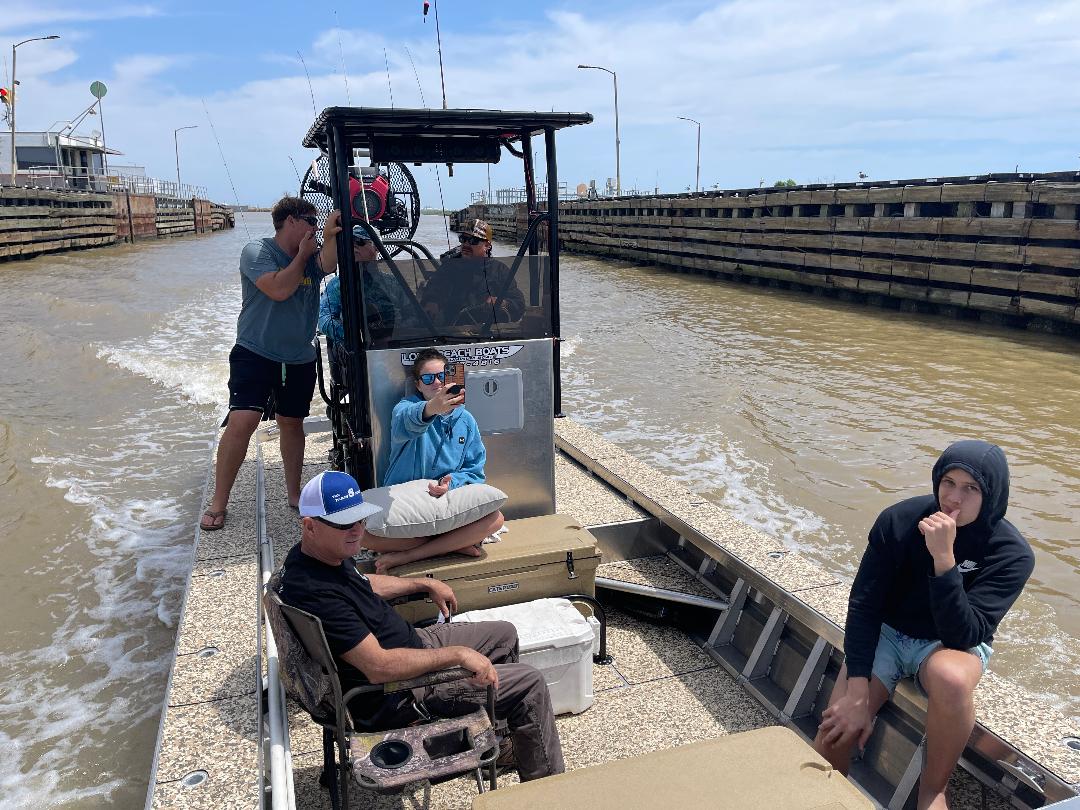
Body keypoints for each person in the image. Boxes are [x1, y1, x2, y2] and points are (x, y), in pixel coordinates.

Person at [276, 470, 564, 782]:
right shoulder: (315, 591)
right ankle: (544, 786)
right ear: (310, 526)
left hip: (411, 646)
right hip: (403, 691)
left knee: (504, 634)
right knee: (529, 684)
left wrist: (420, 584)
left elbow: (363, 583)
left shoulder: (319, 556)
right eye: (346, 523)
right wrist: (456, 655)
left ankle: (496, 741)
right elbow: (379, 667)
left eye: (360, 519)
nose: (357, 530)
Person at [814, 440, 1034, 810]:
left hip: (949, 645)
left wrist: (944, 560)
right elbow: (864, 606)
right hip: (888, 632)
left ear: (992, 494)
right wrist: (857, 695)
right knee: (833, 739)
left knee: (951, 678)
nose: (954, 498)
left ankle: (933, 789)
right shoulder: (898, 521)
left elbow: (964, 634)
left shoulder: (1011, 554)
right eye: (948, 482)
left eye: (971, 488)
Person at [200, 198, 341, 531]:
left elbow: (331, 263)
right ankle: (219, 501)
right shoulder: (257, 252)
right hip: (255, 352)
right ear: (290, 221)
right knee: (243, 421)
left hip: (298, 357)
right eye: (310, 220)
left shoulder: (311, 256)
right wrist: (304, 256)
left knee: (292, 423)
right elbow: (278, 289)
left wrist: (334, 233)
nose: (314, 227)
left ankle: (294, 494)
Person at [368, 347, 504, 573]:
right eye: (428, 378)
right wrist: (434, 408)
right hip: (408, 502)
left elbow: (475, 470)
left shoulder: (466, 419)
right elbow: (411, 421)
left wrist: (454, 481)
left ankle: (411, 555)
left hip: (446, 502)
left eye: (442, 376)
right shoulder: (405, 408)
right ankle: (453, 545)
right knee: (363, 533)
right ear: (418, 385)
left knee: (496, 519)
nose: (437, 383)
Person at [420, 219, 525, 327]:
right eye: (463, 239)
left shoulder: (500, 270)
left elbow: (519, 304)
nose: (466, 244)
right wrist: (432, 302)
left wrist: (502, 303)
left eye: (473, 240)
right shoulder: (450, 267)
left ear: (487, 246)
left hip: (487, 332)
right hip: (453, 329)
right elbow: (435, 289)